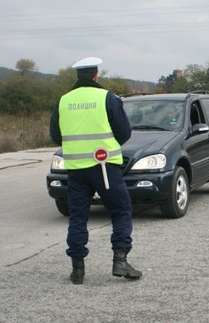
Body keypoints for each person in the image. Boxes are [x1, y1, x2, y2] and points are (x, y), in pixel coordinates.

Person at [50, 57, 142, 284]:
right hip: (105, 166)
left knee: (78, 217)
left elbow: (55, 136)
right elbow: (124, 132)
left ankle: (77, 270)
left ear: (77, 76)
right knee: (120, 210)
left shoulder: (63, 101)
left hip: (75, 169)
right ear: (96, 74)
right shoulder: (107, 97)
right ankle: (120, 261)